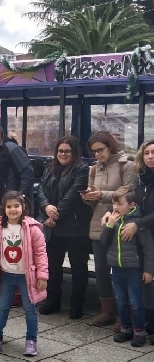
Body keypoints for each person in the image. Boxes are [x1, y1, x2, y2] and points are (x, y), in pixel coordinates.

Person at [0, 191, 49, 357]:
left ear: (23, 207)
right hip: (6, 275)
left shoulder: (32, 229)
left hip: (26, 276)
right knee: (2, 308)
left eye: (16, 206)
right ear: (4, 208)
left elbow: (40, 253)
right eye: (9, 206)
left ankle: (31, 341)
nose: (12, 209)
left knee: (30, 309)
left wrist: (42, 275)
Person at [82, 130, 138, 327]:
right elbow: (94, 198)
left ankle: (126, 315)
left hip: (121, 225)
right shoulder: (94, 169)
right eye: (93, 152)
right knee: (101, 270)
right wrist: (88, 198)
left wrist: (102, 195)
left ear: (110, 146)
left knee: (122, 271)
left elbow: (129, 194)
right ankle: (107, 311)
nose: (97, 154)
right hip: (99, 224)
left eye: (100, 150)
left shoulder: (127, 165)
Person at [36, 136, 92, 319]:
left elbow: (74, 195)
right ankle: (53, 299)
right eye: (60, 151)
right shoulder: (50, 167)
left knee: (78, 266)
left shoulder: (82, 169)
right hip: (53, 225)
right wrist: (46, 208)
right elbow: (41, 191)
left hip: (76, 226)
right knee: (52, 265)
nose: (63, 154)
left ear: (74, 152)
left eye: (67, 151)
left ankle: (77, 303)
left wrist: (55, 214)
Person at [100, 186, 154, 347]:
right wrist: (109, 225)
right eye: (114, 204)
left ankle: (139, 331)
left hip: (134, 269)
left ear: (131, 204)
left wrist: (149, 270)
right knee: (121, 300)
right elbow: (103, 241)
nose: (115, 207)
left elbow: (148, 248)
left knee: (136, 301)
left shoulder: (138, 224)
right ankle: (125, 328)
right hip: (116, 268)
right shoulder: (114, 220)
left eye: (119, 204)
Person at [122, 140, 154, 344]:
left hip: (145, 230)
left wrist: (138, 224)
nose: (151, 156)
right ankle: (147, 325)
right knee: (147, 283)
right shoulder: (142, 181)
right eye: (148, 153)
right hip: (145, 237)